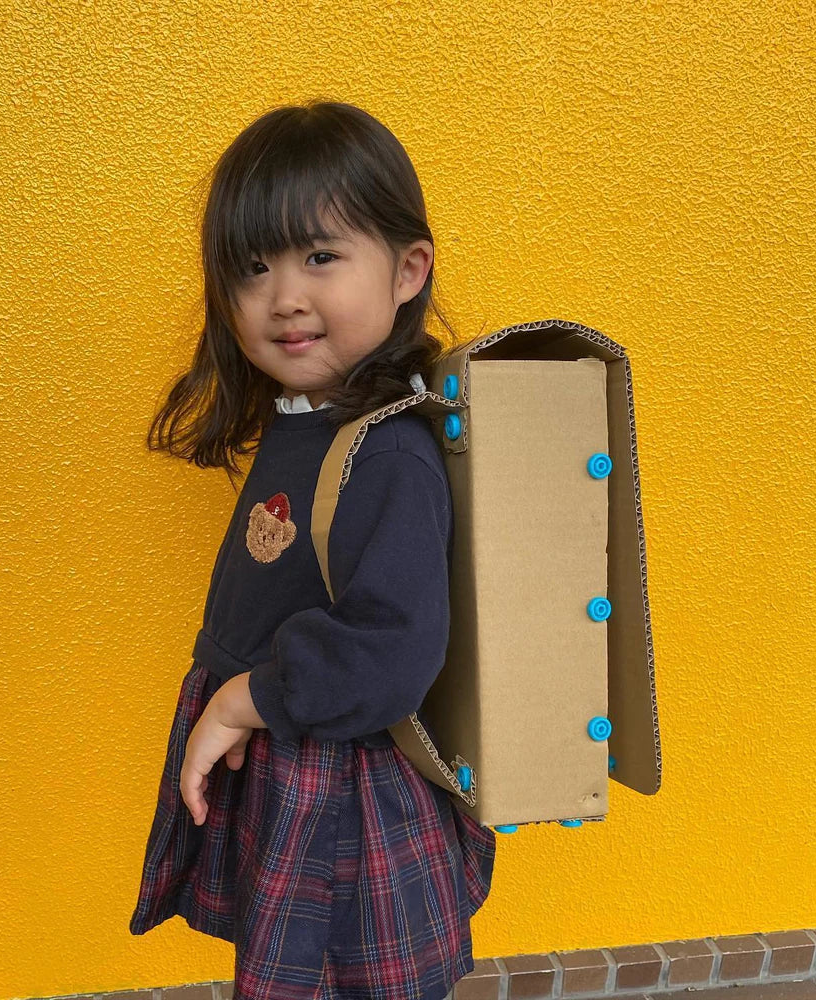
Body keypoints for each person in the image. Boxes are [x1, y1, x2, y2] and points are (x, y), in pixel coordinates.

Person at [128, 100, 496, 1000]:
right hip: (296, 760)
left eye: (320, 256)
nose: (285, 296)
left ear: (408, 269)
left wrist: (241, 702)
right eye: (253, 269)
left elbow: (390, 652)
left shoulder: (389, 451)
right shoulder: (309, 423)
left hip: (343, 789)